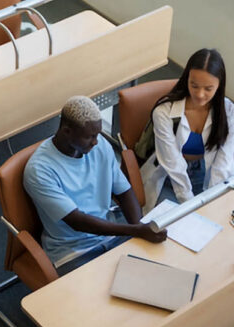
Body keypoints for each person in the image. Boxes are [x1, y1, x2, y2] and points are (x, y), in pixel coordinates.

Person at [23, 95, 167, 270]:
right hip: (73, 251)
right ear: (67, 131)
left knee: (158, 268)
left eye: (97, 134)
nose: (96, 142)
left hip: (109, 235)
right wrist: (135, 231)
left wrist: (139, 227)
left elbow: (124, 191)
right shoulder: (39, 170)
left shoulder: (99, 146)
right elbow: (77, 221)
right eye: (89, 136)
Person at [141, 48, 234, 207]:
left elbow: (223, 163)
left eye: (208, 88)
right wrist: (189, 205)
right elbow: (173, 164)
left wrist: (213, 199)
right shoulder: (164, 113)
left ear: (219, 85)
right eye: (194, 86)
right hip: (169, 176)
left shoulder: (231, 114)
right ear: (186, 78)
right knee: (175, 223)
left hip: (205, 171)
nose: (200, 94)